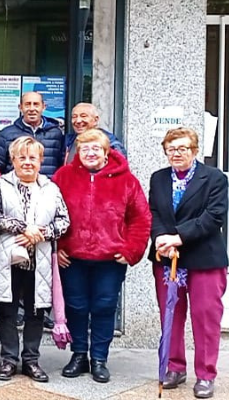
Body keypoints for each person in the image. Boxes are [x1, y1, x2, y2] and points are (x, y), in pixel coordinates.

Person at [53, 129, 150, 384]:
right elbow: (51, 213)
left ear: (107, 152)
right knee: (76, 307)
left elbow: (140, 219)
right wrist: (58, 246)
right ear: (78, 152)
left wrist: (131, 251)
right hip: (72, 258)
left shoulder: (127, 180)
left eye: (96, 148)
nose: (90, 153)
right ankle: (79, 355)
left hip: (110, 259)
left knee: (104, 307)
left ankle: (99, 359)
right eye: (85, 149)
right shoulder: (63, 176)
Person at [148, 127, 227, 399]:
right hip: (167, 258)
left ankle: (205, 374)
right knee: (171, 315)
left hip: (204, 257)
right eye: (172, 149)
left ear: (194, 150)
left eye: (183, 148)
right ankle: (174, 367)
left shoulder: (214, 178)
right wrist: (161, 239)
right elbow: (155, 213)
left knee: (205, 318)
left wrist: (177, 238)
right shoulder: (158, 178)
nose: (177, 153)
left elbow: (214, 216)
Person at [0, 136, 70, 383]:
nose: (27, 162)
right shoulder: (0, 184)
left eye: (32, 158)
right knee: (8, 310)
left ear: (40, 161)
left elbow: (63, 221)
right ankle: (8, 359)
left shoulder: (51, 187)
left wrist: (41, 234)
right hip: (9, 258)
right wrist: (24, 228)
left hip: (40, 260)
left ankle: (31, 360)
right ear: (12, 159)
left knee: (36, 312)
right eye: (21, 157)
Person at [0, 92, 65, 177]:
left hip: (46, 187)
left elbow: (62, 166)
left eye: (36, 104)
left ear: (43, 107)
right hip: (15, 187)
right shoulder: (6, 134)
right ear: (20, 107)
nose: (32, 109)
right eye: (27, 104)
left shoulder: (56, 133)